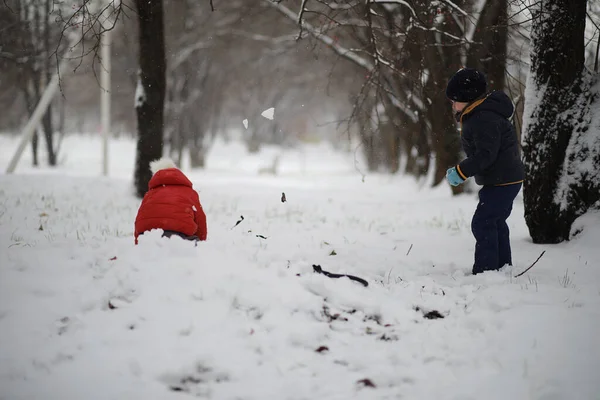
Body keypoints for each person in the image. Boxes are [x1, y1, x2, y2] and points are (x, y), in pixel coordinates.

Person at [445, 68, 524, 275]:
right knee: (495, 221)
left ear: (468, 98)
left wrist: (460, 171)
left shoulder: (483, 118)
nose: (452, 105)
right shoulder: (480, 115)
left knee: (483, 222)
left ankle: (487, 269)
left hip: (503, 179)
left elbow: (485, 155)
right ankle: (502, 266)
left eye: (455, 100)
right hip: (504, 178)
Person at [134, 158, 207, 245]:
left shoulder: (150, 194)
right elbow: (200, 220)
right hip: (180, 237)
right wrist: (202, 242)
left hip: (149, 237)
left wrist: (138, 242)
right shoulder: (189, 193)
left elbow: (140, 219)